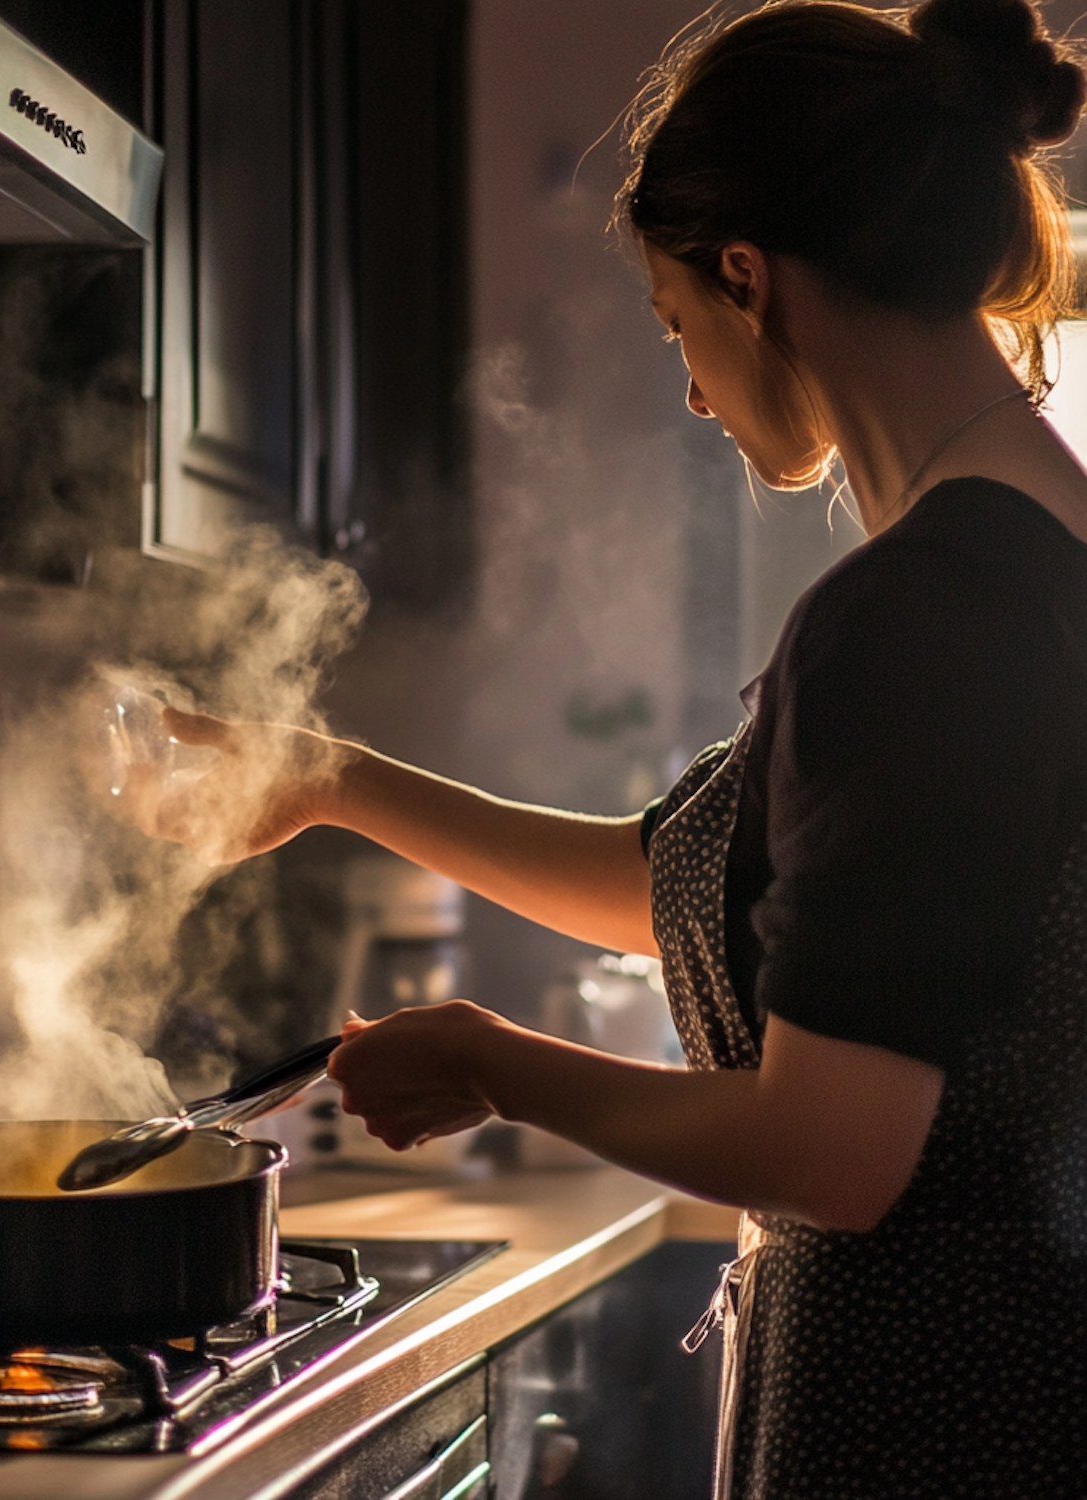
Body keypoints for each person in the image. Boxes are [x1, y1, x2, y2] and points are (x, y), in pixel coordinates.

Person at [123, 0, 1087, 1492]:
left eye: (677, 325)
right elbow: (686, 890)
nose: (693, 389)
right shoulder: (1023, 552)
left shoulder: (920, 616)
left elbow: (836, 1149)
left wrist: (499, 1065)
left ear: (750, 281)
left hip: (936, 1418)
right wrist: (332, 782)